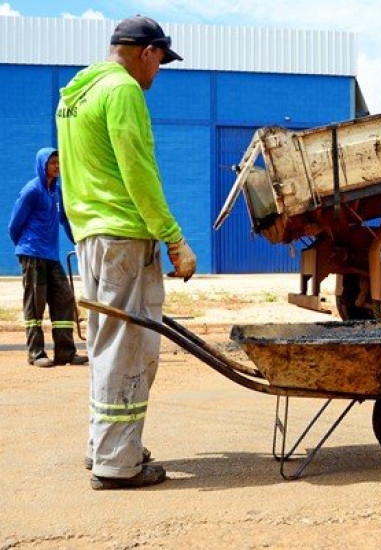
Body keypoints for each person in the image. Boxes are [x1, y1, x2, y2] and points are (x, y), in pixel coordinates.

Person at [55, 15, 196, 490]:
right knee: (131, 349)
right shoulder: (123, 92)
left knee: (106, 346)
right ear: (148, 51)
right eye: (160, 62)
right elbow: (139, 171)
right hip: (123, 237)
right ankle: (117, 462)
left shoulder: (76, 96)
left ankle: (105, 445)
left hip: (92, 238)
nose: (158, 73)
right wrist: (174, 238)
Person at [8, 148, 88, 368]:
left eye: (58, 163)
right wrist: (25, 249)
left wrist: (77, 240)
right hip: (32, 253)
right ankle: (36, 353)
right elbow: (14, 225)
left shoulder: (57, 191)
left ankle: (65, 353)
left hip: (51, 255)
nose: (56, 166)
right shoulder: (31, 191)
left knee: (64, 298)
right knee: (35, 304)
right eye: (52, 163)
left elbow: (64, 220)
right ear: (42, 165)